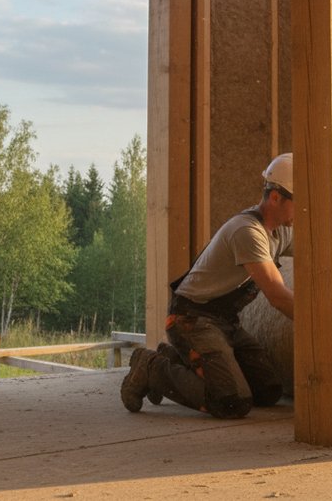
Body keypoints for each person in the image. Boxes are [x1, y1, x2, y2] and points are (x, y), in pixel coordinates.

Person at [120, 153, 296, 419]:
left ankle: (175, 357)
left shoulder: (281, 230)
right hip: (191, 319)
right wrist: (327, 324)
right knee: (232, 402)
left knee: (267, 391)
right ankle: (152, 367)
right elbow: (278, 296)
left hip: (224, 322)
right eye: (299, 201)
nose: (304, 210)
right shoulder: (248, 232)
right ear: (275, 197)